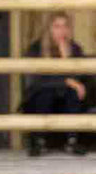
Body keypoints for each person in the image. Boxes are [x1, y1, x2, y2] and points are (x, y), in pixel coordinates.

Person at [20, 11, 90, 157]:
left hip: (65, 97)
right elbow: (38, 80)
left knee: (73, 93)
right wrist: (67, 80)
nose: (61, 31)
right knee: (46, 92)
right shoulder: (36, 48)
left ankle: (72, 140)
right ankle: (39, 140)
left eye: (65, 26)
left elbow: (82, 78)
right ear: (49, 29)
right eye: (57, 26)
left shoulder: (75, 49)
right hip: (41, 95)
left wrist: (66, 59)